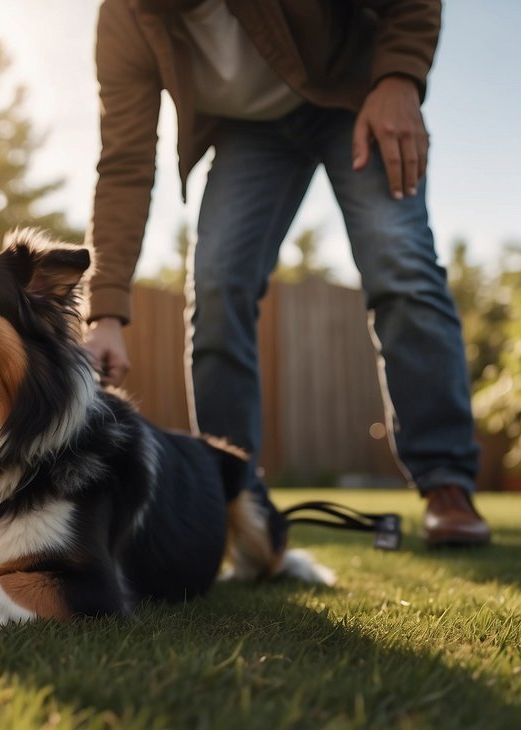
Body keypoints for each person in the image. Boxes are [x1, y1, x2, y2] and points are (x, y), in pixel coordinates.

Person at [82, 0, 491, 547]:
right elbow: (125, 163)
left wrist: (399, 78)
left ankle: (446, 482)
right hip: (250, 134)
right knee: (218, 283)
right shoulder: (126, 17)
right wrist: (105, 310)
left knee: (400, 262)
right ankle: (235, 502)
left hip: (353, 93)